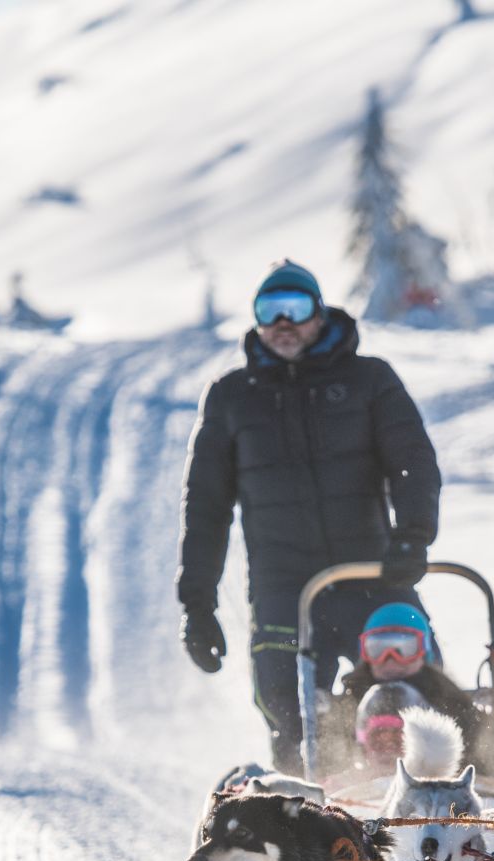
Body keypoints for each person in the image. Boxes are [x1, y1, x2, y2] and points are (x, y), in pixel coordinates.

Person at [177, 260, 441, 773]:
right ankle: (309, 806)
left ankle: (443, 799)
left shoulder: (369, 380)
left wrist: (413, 536)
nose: (283, 323)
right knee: (292, 718)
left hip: (375, 575)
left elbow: (413, 462)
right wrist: (198, 606)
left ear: (319, 313)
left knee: (417, 697)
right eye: (269, 310)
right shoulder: (232, 398)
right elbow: (205, 507)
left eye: (295, 308)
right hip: (285, 591)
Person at [330, 602, 483, 772]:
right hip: (365, 786)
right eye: (378, 648)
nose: (390, 659)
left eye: (405, 648)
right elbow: (331, 759)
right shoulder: (349, 702)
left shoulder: (450, 703)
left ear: (423, 650)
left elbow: (476, 766)